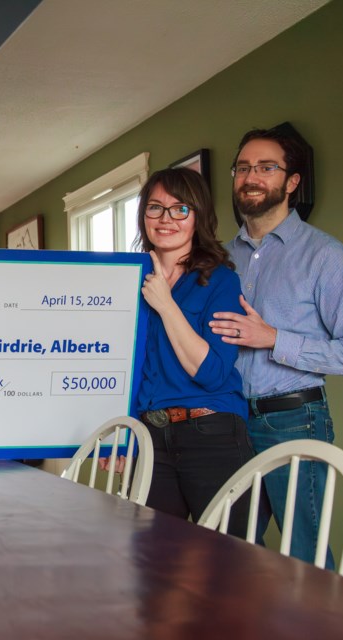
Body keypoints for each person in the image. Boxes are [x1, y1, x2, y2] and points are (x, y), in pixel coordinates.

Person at [209, 127, 343, 566]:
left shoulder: (325, 255)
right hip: (226, 420)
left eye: (266, 168)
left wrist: (274, 339)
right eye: (243, 168)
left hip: (294, 420)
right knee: (232, 553)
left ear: (292, 182)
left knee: (307, 558)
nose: (252, 177)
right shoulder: (222, 260)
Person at [130, 167, 255, 533]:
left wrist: (166, 305)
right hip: (151, 438)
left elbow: (211, 372)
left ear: (197, 216)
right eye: (155, 208)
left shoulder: (220, 281)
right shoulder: (129, 279)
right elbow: (124, 369)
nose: (165, 219)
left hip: (212, 434)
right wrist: (124, 439)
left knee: (229, 562)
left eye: (179, 209)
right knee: (149, 562)